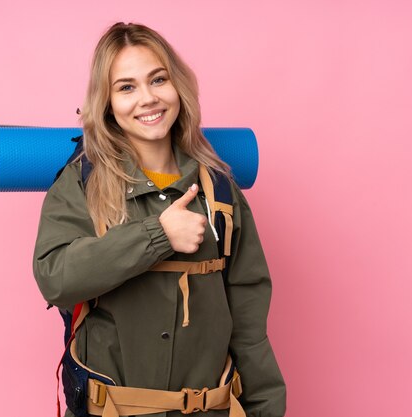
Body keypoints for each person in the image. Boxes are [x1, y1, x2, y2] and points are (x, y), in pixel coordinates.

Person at [33, 22, 286, 417]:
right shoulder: (83, 183)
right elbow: (55, 278)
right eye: (126, 87)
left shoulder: (220, 193)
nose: (148, 99)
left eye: (158, 79)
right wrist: (157, 235)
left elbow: (250, 328)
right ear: (108, 104)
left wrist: (267, 409)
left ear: (177, 86)